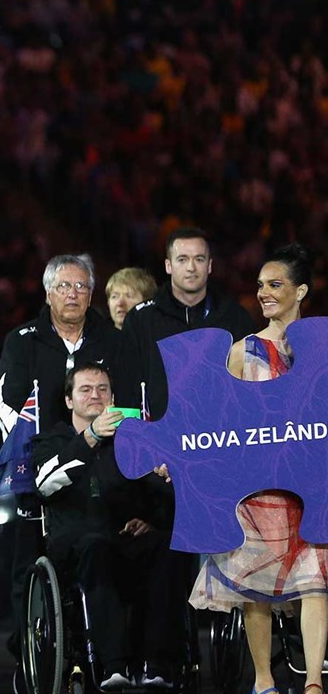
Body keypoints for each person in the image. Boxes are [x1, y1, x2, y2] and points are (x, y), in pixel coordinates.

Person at [186, 244, 326, 694]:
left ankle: (313, 683)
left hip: (312, 485)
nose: (264, 293)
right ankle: (264, 681)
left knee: (316, 582)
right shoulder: (244, 351)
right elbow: (221, 418)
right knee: (255, 589)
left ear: (300, 290)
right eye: (261, 285)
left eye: (275, 284)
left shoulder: (322, 349)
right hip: (260, 492)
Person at [0, 254, 122, 689]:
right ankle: (28, 657)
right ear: (48, 293)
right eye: (64, 286)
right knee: (25, 568)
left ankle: (120, 656)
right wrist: (43, 459)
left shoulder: (111, 339)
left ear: (91, 293)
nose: (73, 294)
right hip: (41, 467)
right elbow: (8, 408)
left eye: (81, 287)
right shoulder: (22, 340)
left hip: (104, 465)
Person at [32, 362, 184, 690]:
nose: (95, 396)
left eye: (102, 390)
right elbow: (44, 485)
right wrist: (89, 436)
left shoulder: (130, 440)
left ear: (113, 397)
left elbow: (158, 492)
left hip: (124, 537)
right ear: (70, 400)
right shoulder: (51, 440)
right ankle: (114, 665)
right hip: (76, 543)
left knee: (166, 545)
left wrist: (156, 507)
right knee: (94, 546)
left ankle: (157, 663)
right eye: (85, 390)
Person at [118, 228, 254, 418]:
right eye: (182, 259)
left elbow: (252, 388)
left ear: (209, 265)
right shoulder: (141, 320)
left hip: (223, 436)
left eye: (199, 259)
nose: (191, 267)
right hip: (160, 439)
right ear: (168, 265)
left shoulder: (235, 318)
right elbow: (127, 386)